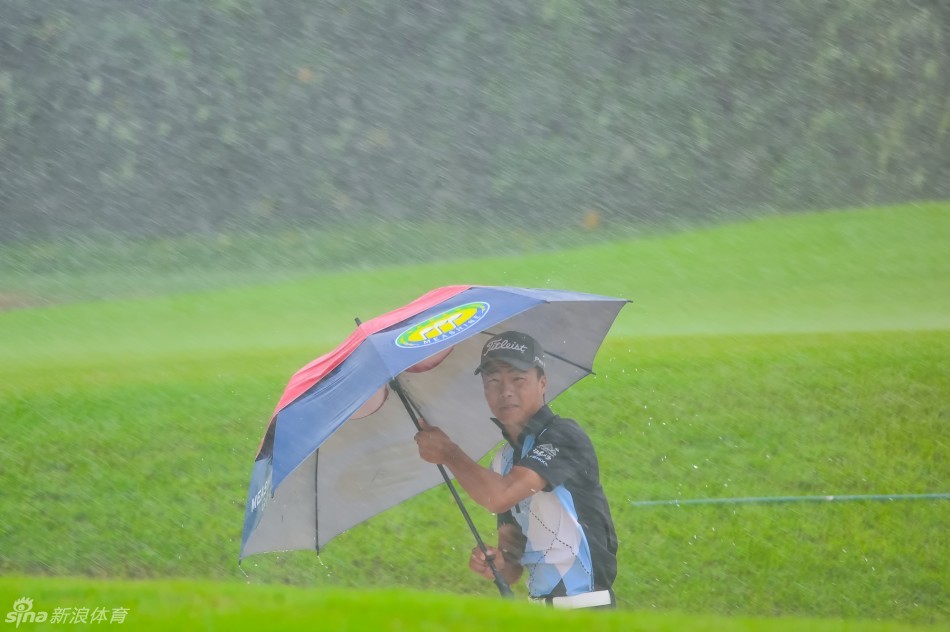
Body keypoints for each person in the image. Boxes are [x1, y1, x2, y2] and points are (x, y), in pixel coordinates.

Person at [414, 330, 618, 608]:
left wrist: (449, 453)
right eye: (493, 380)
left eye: (518, 379)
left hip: (586, 611)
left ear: (542, 383)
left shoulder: (563, 435)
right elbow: (512, 566)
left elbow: (500, 496)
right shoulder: (503, 460)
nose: (505, 390)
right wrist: (498, 562)